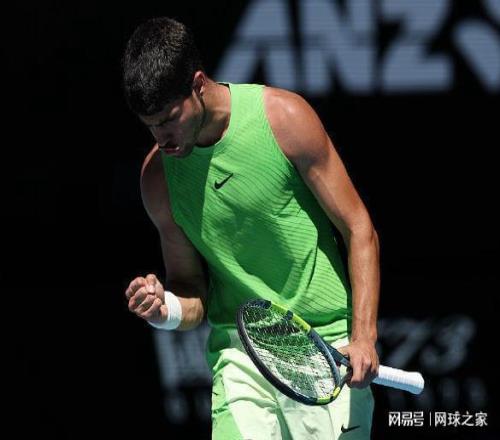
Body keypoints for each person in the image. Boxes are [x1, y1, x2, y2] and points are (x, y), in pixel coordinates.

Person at [122, 16, 380, 440]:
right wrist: (165, 309)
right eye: (150, 125)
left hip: (325, 347)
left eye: (169, 119)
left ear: (198, 84)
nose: (161, 137)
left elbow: (359, 228)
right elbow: (191, 289)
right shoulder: (158, 179)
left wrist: (364, 337)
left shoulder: (284, 118)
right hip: (242, 357)